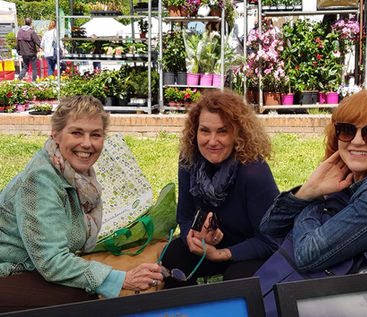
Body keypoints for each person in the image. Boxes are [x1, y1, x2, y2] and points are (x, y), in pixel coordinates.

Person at [0, 95, 163, 313]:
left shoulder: (79, 178)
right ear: (56, 135)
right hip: (11, 272)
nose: (87, 143)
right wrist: (123, 279)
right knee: (82, 301)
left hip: (35, 269)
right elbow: (51, 261)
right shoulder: (40, 180)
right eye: (76, 132)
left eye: (95, 135)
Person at [260, 89, 367, 274]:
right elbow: (269, 229)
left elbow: (307, 255)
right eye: (347, 130)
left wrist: (310, 205)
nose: (358, 141)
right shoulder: (350, 180)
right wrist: (306, 191)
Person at [161, 89, 280, 288]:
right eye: (205, 131)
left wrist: (220, 255)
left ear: (237, 133)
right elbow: (184, 216)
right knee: (173, 255)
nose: (212, 141)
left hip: (250, 251)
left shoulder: (254, 172)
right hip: (210, 247)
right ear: (195, 131)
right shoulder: (189, 162)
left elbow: (271, 240)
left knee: (236, 278)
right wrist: (193, 238)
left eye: (222, 131)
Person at [17, 17, 41, 81]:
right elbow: (37, 41)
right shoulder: (31, 32)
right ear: (30, 23)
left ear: (25, 22)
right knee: (34, 68)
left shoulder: (19, 32)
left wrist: (18, 50)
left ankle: (19, 78)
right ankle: (34, 81)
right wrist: (42, 46)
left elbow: (18, 42)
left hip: (23, 52)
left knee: (25, 67)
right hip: (31, 52)